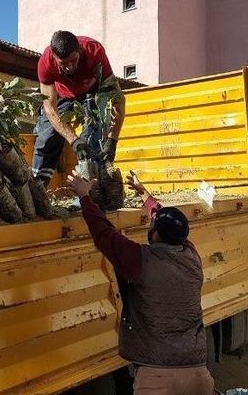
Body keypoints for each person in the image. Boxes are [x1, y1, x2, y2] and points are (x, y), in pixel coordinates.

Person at [66, 169, 213, 394]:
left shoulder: (141, 261)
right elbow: (167, 222)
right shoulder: (191, 256)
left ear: (155, 235)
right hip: (197, 372)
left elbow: (105, 234)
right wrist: (145, 195)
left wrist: (84, 197)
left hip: (157, 374)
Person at [32, 31, 125, 185]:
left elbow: (118, 99)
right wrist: (74, 141)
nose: (69, 67)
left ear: (80, 51)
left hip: (91, 90)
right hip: (62, 94)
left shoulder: (95, 52)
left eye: (73, 60)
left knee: (93, 135)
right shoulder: (46, 62)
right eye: (63, 64)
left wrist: (112, 140)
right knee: (47, 137)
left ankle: (92, 190)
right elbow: (50, 109)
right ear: (54, 58)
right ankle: (38, 188)